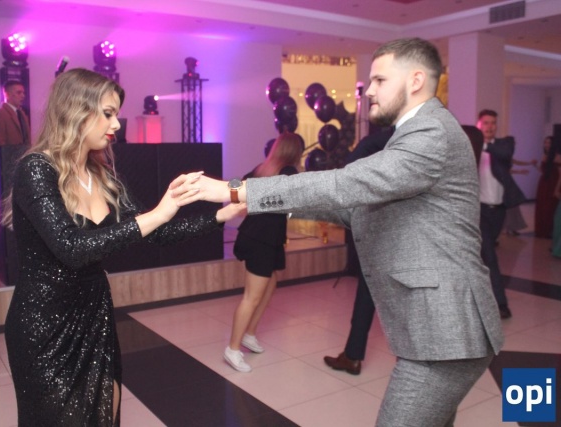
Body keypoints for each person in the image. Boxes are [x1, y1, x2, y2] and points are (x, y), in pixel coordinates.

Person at [173, 38, 504, 427]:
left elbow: (347, 185)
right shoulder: (416, 132)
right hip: (439, 331)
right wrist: (261, 203)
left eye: (380, 80)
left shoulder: (431, 132)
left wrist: (235, 189)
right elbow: (355, 209)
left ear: (415, 80)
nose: (370, 91)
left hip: (446, 332)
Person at [2, 68, 243, 426]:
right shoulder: (36, 169)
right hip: (44, 325)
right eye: (108, 113)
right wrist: (157, 214)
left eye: (116, 114)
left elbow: (157, 234)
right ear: (76, 110)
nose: (116, 124)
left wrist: (222, 215)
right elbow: (72, 248)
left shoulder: (101, 175)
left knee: (104, 415)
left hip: (94, 316)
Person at [224, 132, 302, 373]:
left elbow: (236, 186)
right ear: (296, 152)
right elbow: (236, 189)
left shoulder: (264, 169)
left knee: (271, 283)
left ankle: (249, 334)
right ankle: (232, 349)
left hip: (267, 238)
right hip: (261, 239)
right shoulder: (287, 172)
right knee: (252, 297)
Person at [323, 126, 393, 376]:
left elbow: (348, 171)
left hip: (382, 233)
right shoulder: (421, 138)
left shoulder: (380, 140)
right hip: (410, 235)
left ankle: (353, 355)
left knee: (367, 296)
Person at [476, 109, 527, 319]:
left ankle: (478, 297)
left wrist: (483, 144)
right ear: (479, 125)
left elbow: (504, 154)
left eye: (493, 123)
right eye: (486, 123)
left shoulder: (505, 144)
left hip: (498, 212)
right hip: (478, 211)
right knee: (490, 256)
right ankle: (501, 303)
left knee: (483, 257)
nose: (490, 127)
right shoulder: (472, 148)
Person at [535, 136, 561, 238]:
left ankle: (550, 231)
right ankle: (542, 231)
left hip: (553, 185)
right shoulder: (544, 156)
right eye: (545, 142)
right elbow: (543, 172)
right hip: (543, 185)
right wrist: (535, 166)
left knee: (550, 209)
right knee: (542, 208)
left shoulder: (558, 157)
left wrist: (557, 190)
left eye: (549, 143)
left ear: (553, 144)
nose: (546, 145)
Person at [0, 80, 31, 145]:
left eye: (23, 93)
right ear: (7, 94)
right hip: (10, 151)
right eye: (19, 92)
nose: (23, 96)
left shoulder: (23, 114)